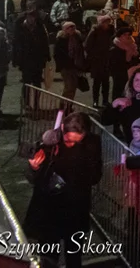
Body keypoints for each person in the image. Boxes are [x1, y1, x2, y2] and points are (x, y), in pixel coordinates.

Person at [24, 112, 103, 268]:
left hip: (75, 209)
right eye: (68, 140)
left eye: (76, 142)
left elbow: (95, 177)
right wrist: (34, 167)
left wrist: (81, 160)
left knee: (74, 255)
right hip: (50, 208)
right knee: (47, 255)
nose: (71, 144)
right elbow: (34, 178)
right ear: (62, 129)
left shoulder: (92, 144)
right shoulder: (50, 142)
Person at [83, 14, 114, 105]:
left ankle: (105, 101)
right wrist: (93, 55)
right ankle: (95, 101)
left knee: (106, 82)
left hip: (106, 60)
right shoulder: (95, 31)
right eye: (105, 22)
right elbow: (87, 45)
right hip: (97, 60)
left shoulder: (110, 31)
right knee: (97, 82)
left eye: (108, 22)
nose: (107, 24)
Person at [54, 21, 86, 99]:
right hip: (66, 67)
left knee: (73, 87)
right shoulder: (61, 40)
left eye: (73, 27)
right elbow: (56, 55)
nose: (72, 29)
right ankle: (62, 106)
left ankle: (69, 106)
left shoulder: (77, 38)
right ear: (65, 29)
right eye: (69, 28)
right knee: (68, 87)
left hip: (76, 66)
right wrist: (61, 66)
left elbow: (80, 52)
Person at [108, 25, 140, 100]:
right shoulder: (115, 47)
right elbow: (113, 63)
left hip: (131, 73)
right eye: (124, 34)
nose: (127, 36)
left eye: (129, 34)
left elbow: (137, 59)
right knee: (119, 92)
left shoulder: (133, 46)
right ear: (120, 36)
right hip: (119, 74)